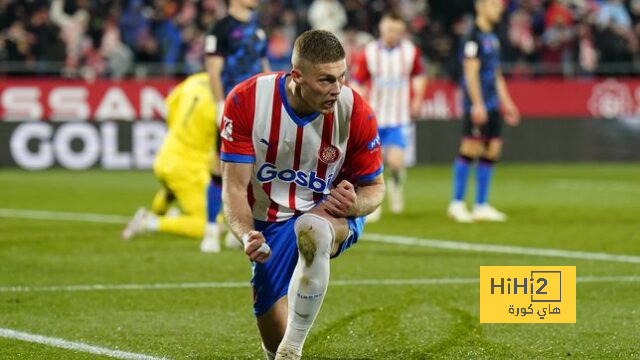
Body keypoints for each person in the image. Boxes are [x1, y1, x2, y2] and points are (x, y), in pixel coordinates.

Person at [220, 30, 385, 359]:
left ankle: (293, 349)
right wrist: (246, 234)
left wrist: (355, 204)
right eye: (325, 80)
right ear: (297, 76)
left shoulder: (355, 111)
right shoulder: (247, 101)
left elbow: (376, 188)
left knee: (312, 229)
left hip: (329, 209)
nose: (337, 90)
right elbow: (235, 187)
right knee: (270, 331)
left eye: (341, 78)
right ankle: (280, 350)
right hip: (269, 218)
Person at [122, 72, 220, 252]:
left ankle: (157, 211)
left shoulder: (196, 80)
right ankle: (149, 223)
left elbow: (170, 104)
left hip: (166, 154)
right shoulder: (221, 101)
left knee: (173, 189)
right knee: (211, 222)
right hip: (188, 167)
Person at [203, 0, 269, 250]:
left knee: (255, 170)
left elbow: (264, 68)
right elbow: (213, 70)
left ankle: (238, 229)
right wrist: (221, 103)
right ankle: (210, 229)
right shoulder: (220, 29)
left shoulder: (258, 29)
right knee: (221, 168)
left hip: (259, 108)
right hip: (232, 107)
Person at [447, 0, 520, 223]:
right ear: (481, 7)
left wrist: (507, 102)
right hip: (477, 104)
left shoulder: (493, 37)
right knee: (470, 147)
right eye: (494, 6)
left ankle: (481, 204)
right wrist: (477, 104)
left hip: (493, 103)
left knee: (492, 150)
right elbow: (470, 73)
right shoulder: (473, 37)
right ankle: (457, 203)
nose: (499, 10)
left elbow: (496, 74)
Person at [350, 12, 427, 218]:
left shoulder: (410, 52)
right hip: (374, 117)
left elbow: (419, 75)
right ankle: (374, 203)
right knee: (373, 163)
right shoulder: (370, 52)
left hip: (400, 117)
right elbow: (357, 80)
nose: (394, 34)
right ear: (383, 28)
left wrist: (417, 99)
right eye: (390, 29)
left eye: (398, 31)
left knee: (396, 161)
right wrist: (357, 103)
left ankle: (396, 187)